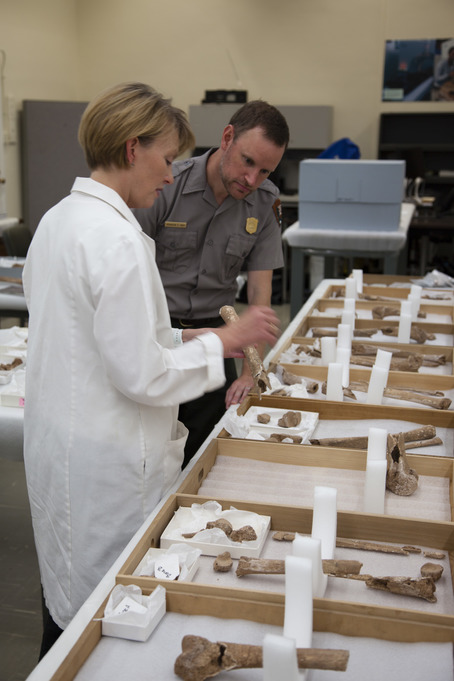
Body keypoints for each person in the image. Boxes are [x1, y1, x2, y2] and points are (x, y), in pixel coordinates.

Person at [22, 82, 280, 658]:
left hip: (62, 446)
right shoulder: (120, 240)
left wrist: (193, 335)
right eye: (166, 159)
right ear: (133, 148)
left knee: (66, 600)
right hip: (108, 463)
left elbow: (106, 335)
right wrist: (227, 342)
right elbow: (145, 376)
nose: (171, 176)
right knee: (105, 617)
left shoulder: (58, 220)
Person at [134, 100, 290, 467]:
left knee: (205, 457)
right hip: (159, 338)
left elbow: (259, 295)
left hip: (217, 344)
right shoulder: (166, 185)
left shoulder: (264, 204)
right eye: (247, 161)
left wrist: (253, 369)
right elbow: (130, 270)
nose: (252, 180)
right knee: (148, 456)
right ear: (227, 138)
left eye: (265, 171)